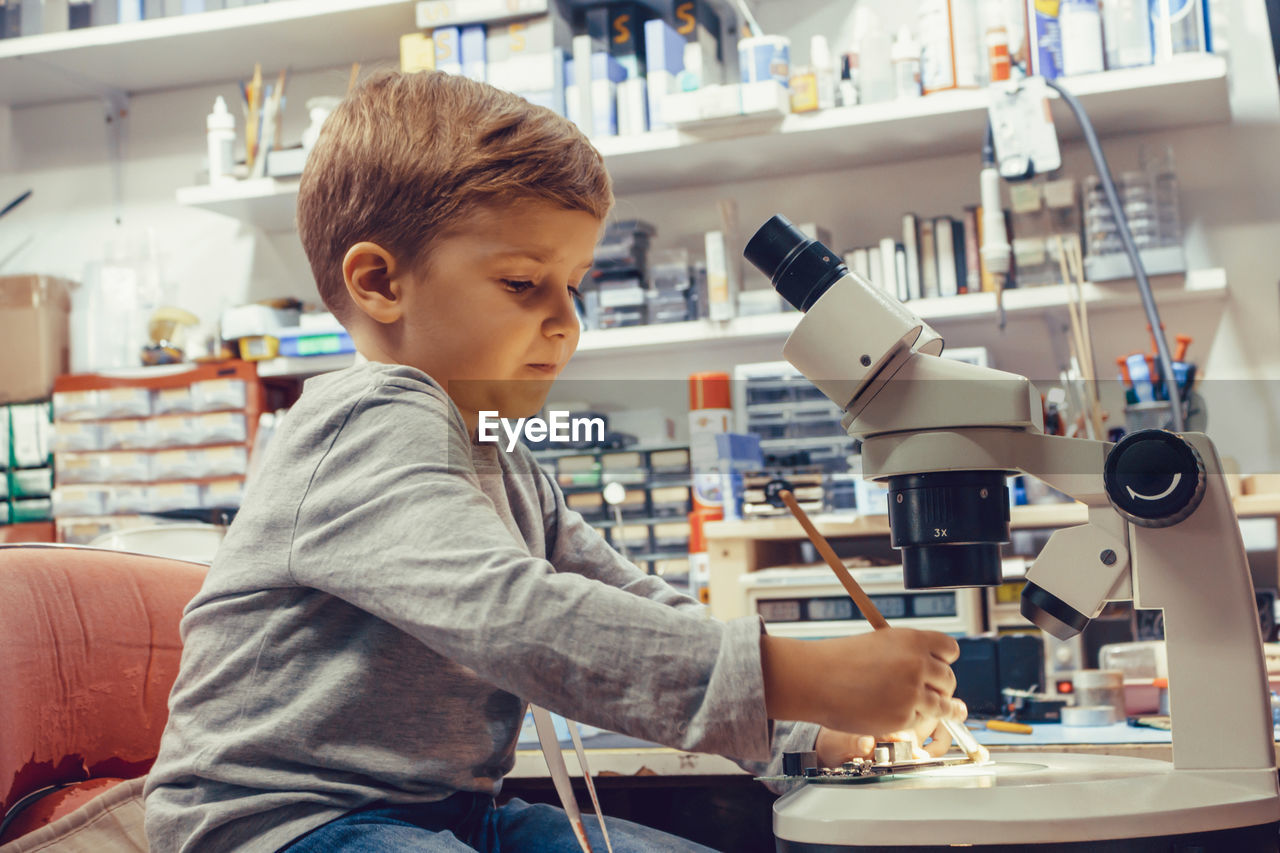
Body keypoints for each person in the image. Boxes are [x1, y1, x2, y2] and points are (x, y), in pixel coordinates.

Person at [143, 70, 966, 853]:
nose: (567, 323)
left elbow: (621, 593)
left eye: (573, 284)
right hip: (281, 825)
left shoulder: (492, 444)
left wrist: (809, 730)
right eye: (523, 281)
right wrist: (791, 675)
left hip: (453, 813)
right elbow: (514, 615)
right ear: (380, 282)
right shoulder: (365, 419)